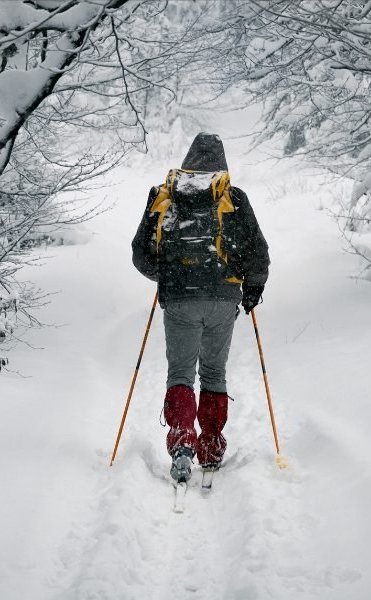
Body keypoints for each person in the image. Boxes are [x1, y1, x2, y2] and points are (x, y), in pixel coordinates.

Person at [131, 132, 270, 482]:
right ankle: (210, 446)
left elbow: (140, 253)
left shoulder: (165, 197)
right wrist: (252, 290)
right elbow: (258, 253)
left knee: (180, 374)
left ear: (189, 161)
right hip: (224, 299)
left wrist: (166, 275)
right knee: (213, 373)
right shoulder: (233, 198)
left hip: (180, 300)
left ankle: (181, 445)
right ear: (222, 164)